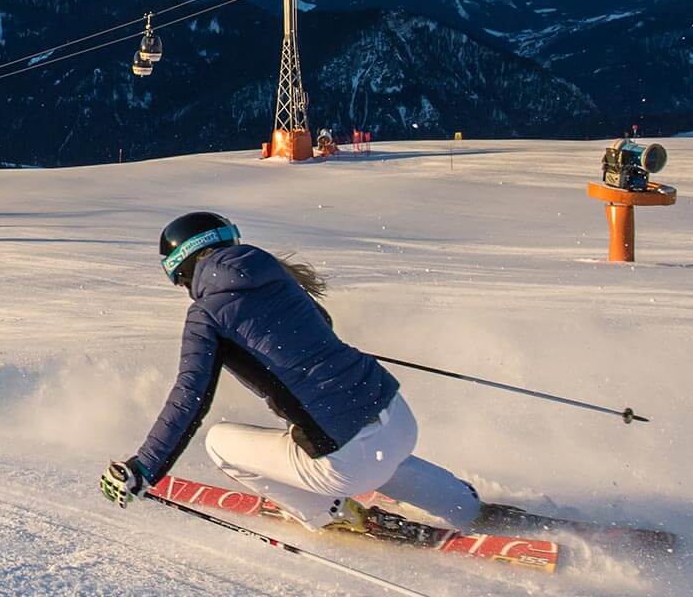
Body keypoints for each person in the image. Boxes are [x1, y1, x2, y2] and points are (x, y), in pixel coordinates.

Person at [98, 212, 484, 538]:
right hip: (400, 418)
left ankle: (328, 514)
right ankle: (463, 505)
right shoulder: (271, 272)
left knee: (221, 444)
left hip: (349, 460)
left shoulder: (206, 314)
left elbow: (189, 398)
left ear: (182, 272)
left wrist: (143, 468)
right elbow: (322, 323)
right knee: (367, 443)